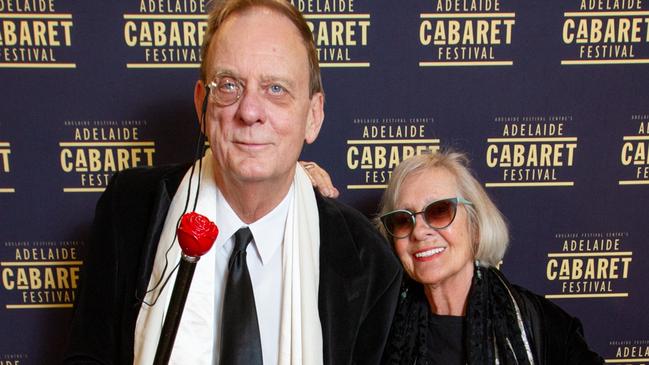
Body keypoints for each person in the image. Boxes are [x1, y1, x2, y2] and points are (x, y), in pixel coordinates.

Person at [63, 0, 401, 364]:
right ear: (201, 106)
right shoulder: (128, 212)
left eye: (276, 89)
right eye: (228, 85)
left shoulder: (366, 260)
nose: (250, 111)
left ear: (313, 116)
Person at [374, 150, 604, 364]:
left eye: (439, 211)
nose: (419, 232)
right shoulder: (380, 328)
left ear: (475, 226)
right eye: (403, 220)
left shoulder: (543, 326)